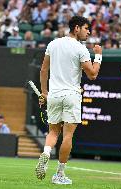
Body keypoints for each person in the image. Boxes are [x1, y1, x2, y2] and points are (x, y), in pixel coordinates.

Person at [35, 16, 102, 185]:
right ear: (77, 28)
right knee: (68, 135)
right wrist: (99, 56)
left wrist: (44, 93)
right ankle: (59, 174)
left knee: (53, 132)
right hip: (71, 95)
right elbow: (93, 74)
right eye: (87, 28)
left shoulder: (53, 44)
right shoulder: (81, 49)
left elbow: (43, 70)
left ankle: (46, 152)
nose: (88, 32)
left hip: (54, 95)